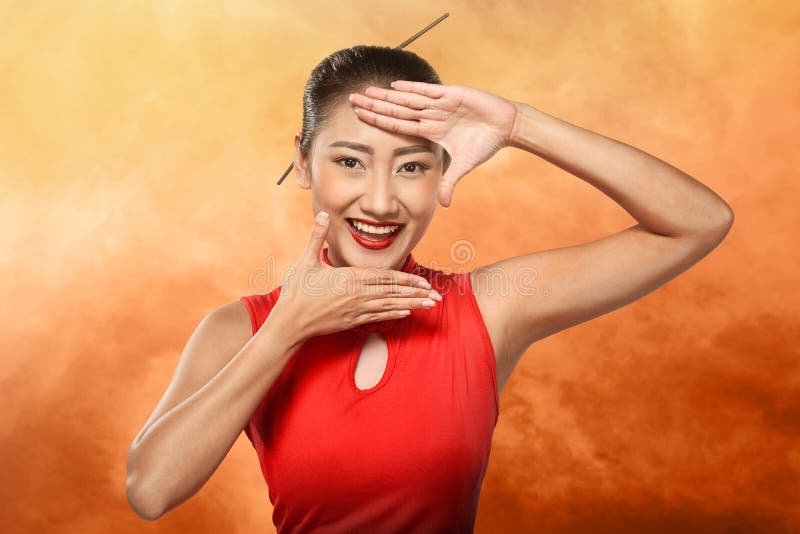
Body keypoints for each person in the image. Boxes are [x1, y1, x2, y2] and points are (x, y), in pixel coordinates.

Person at [126, 45, 734, 531]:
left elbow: (697, 222)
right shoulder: (241, 329)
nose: (383, 201)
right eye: (350, 161)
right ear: (305, 162)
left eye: (413, 165)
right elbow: (151, 491)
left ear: (445, 169)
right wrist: (287, 329)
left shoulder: (485, 311)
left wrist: (520, 124)